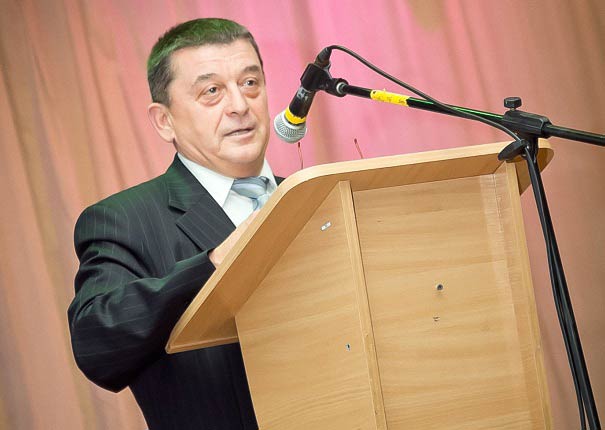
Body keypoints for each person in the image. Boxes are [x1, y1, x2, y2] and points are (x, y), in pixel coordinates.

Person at [67, 18, 281, 429]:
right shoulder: (124, 220)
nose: (240, 105)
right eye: (211, 91)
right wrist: (213, 265)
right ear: (164, 121)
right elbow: (96, 343)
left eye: (250, 83)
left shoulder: (312, 196)